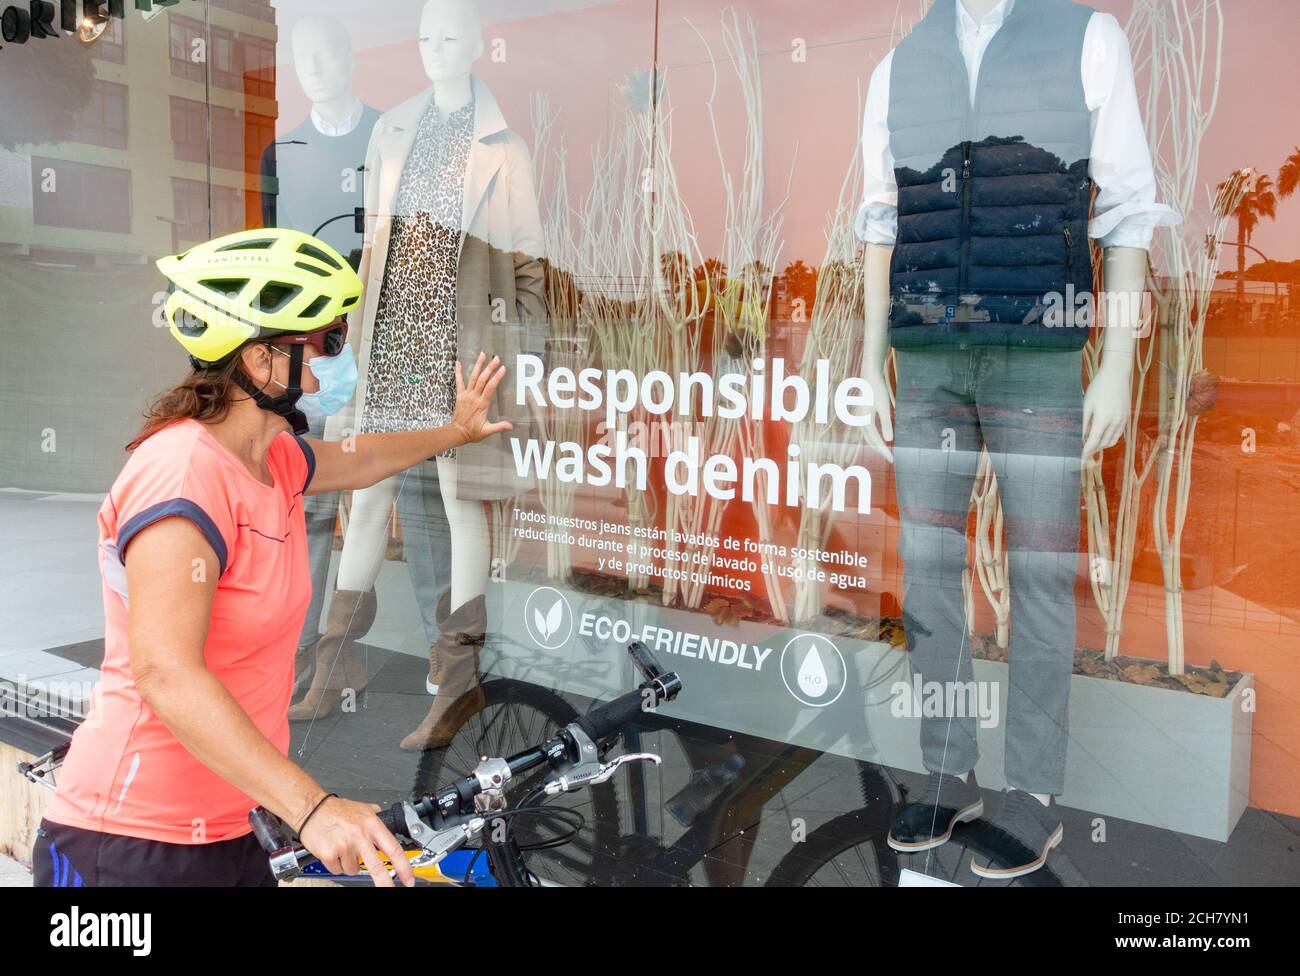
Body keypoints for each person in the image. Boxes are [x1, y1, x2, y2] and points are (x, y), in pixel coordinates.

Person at [31, 228, 511, 887]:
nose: (336, 363)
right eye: (327, 344)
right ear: (260, 363)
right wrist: (312, 808)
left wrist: (454, 431)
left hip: (237, 828)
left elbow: (361, 458)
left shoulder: (273, 459)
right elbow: (165, 671)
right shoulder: (182, 473)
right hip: (129, 845)